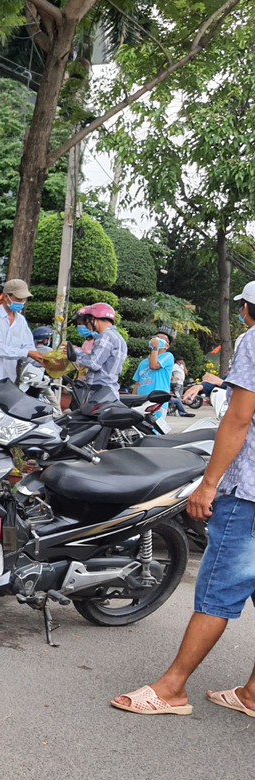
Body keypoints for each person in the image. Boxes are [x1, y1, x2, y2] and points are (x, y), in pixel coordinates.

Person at [112, 282, 255, 717]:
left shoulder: (253, 341)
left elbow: (239, 417)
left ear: (249, 310)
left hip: (249, 491)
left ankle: (172, 688)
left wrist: (210, 483)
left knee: (218, 588)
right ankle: (251, 694)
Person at [0, 278, 46, 383]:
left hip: (8, 380)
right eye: (18, 298)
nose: (22, 302)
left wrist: (46, 361)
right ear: (5, 296)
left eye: (24, 299)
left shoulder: (21, 321)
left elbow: (28, 348)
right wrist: (28, 353)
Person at [70, 302, 125, 407]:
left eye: (87, 321)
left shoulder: (106, 336)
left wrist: (76, 352)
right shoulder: (118, 338)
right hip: (109, 391)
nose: (87, 325)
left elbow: (93, 363)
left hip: (100, 391)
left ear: (94, 319)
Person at [132, 325, 176, 399]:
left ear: (166, 346)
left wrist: (155, 347)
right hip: (141, 400)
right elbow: (137, 384)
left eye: (162, 338)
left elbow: (153, 365)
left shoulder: (168, 356)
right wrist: (133, 399)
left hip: (157, 400)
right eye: (156, 337)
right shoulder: (143, 362)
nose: (157, 339)